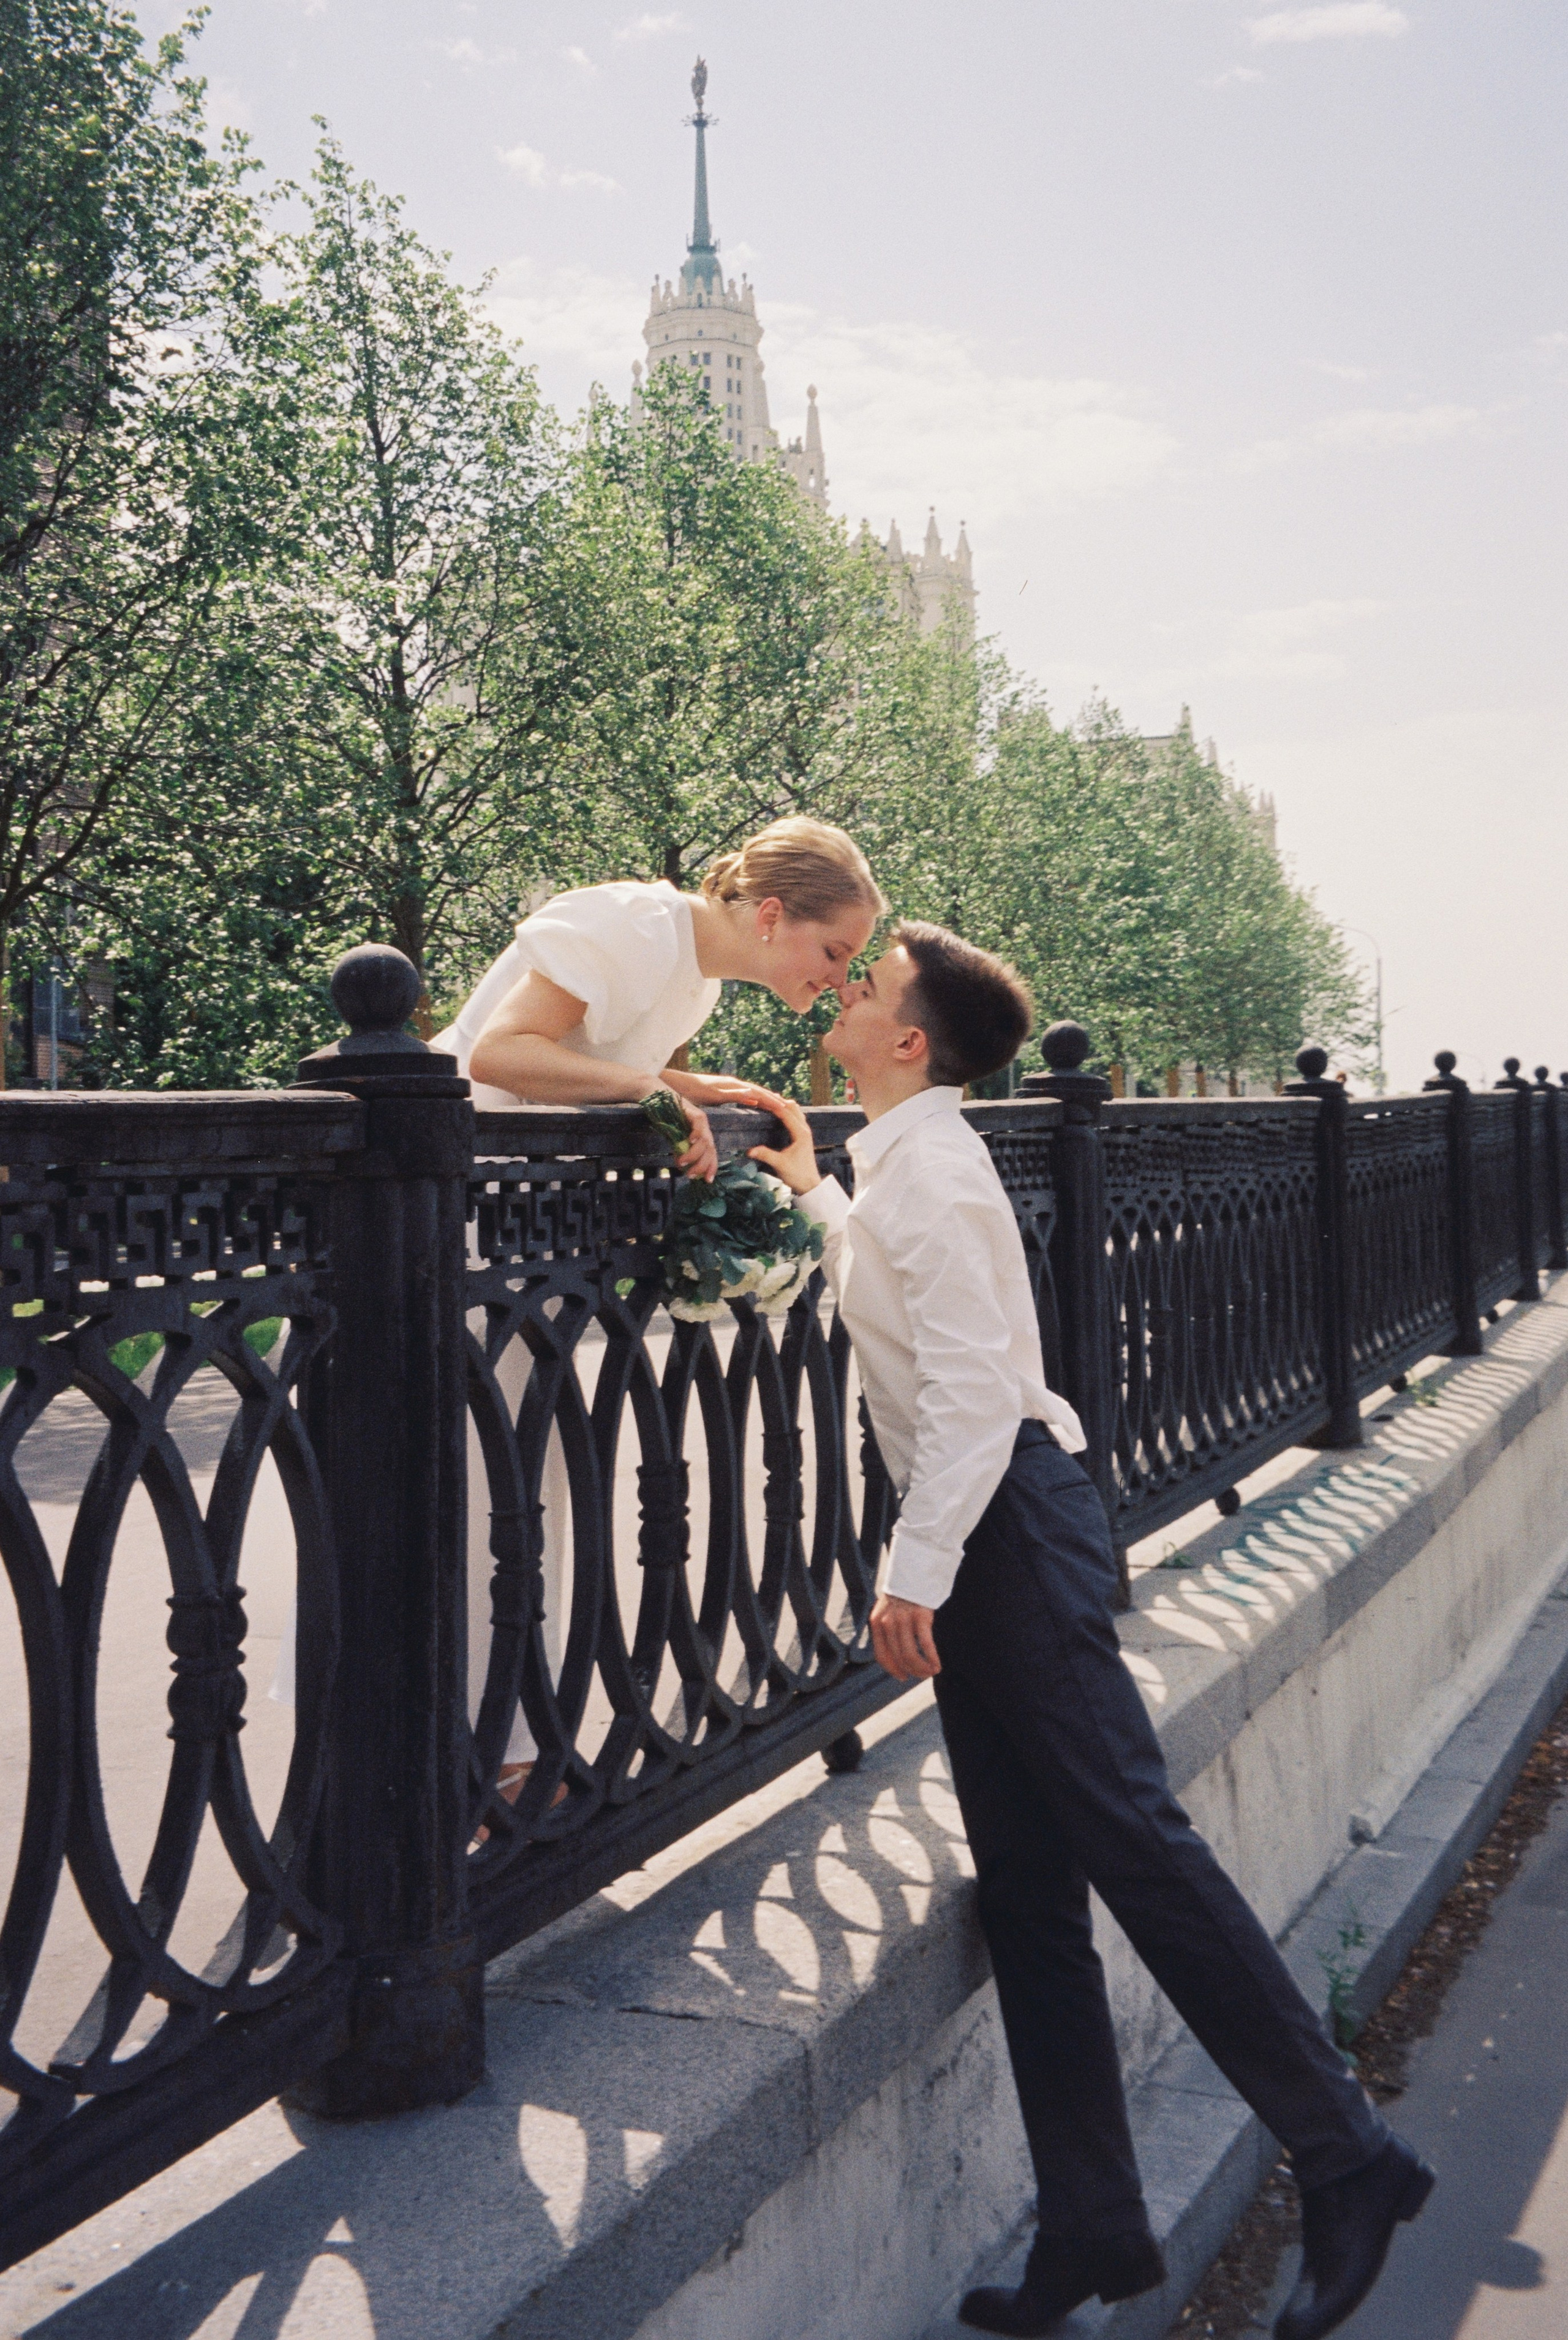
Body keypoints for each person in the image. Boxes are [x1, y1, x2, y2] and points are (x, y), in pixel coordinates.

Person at [748, 922, 1433, 2340]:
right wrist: (812, 1192)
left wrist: (912, 1572)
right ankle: (1092, 2223)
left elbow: (968, 1392)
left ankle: (1345, 2150)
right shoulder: (902, 1163)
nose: (844, 986)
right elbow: (888, 1285)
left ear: (907, 1040)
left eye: (866, 982)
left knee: (1134, 1840)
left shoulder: (938, 1170)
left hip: (1002, 1526)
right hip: (989, 1530)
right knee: (1026, 1891)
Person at [439, 819, 886, 1823]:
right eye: (833, 952)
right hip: (458, 1231)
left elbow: (574, 1059)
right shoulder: (635, 924)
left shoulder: (696, 979)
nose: (835, 980)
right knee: (482, 1496)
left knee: (518, 1492)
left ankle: (500, 1747)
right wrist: (652, 1086)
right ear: (773, 915)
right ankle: (481, 1759)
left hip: (516, 1240)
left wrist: (689, 1085)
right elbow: (501, 1053)